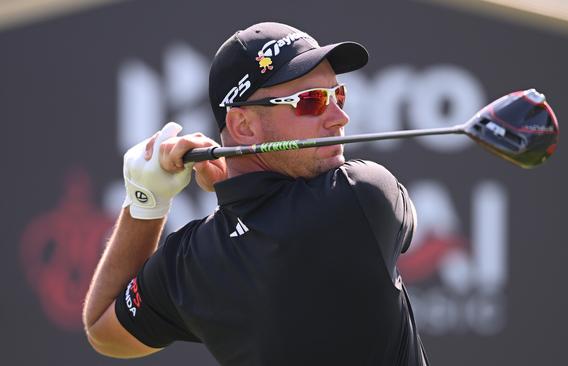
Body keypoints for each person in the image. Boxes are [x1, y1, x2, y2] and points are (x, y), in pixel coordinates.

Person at [82, 22, 430, 366]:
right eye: (310, 102)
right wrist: (235, 193)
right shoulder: (362, 196)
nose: (339, 117)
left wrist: (147, 200)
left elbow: (103, 328)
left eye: (337, 95)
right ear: (244, 126)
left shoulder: (192, 262)